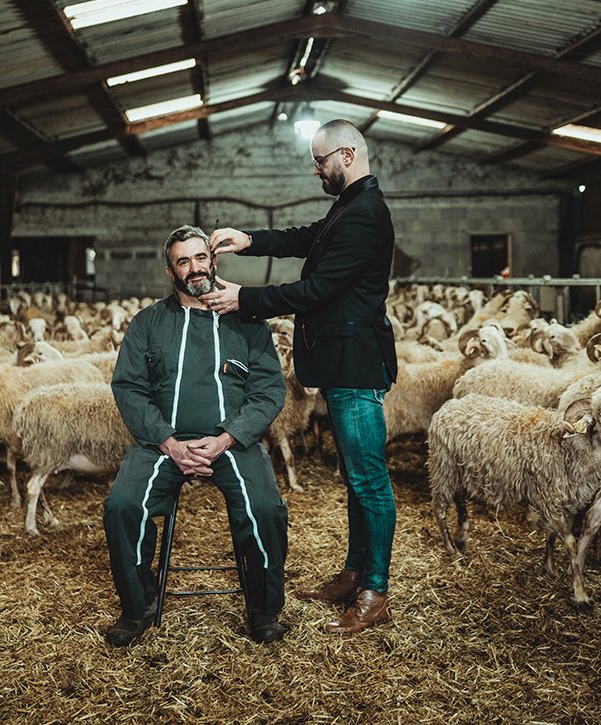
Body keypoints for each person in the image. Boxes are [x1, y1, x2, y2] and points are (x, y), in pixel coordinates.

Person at [203, 119, 397, 634]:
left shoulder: (366, 214)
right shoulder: (351, 207)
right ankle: (356, 574)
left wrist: (246, 299)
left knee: (369, 480)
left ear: (348, 155)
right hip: (342, 361)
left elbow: (319, 290)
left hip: (356, 364)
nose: (316, 169)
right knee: (356, 479)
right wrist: (250, 241)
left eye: (320, 160)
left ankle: (375, 590)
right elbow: (309, 238)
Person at [102, 225, 289, 647]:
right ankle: (138, 606)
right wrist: (169, 442)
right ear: (171, 272)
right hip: (162, 442)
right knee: (122, 506)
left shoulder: (247, 322)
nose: (193, 267)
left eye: (200, 257)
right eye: (182, 261)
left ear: (214, 261)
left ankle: (263, 608)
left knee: (266, 509)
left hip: (231, 441)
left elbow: (268, 390)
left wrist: (227, 437)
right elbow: (129, 387)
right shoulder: (148, 322)